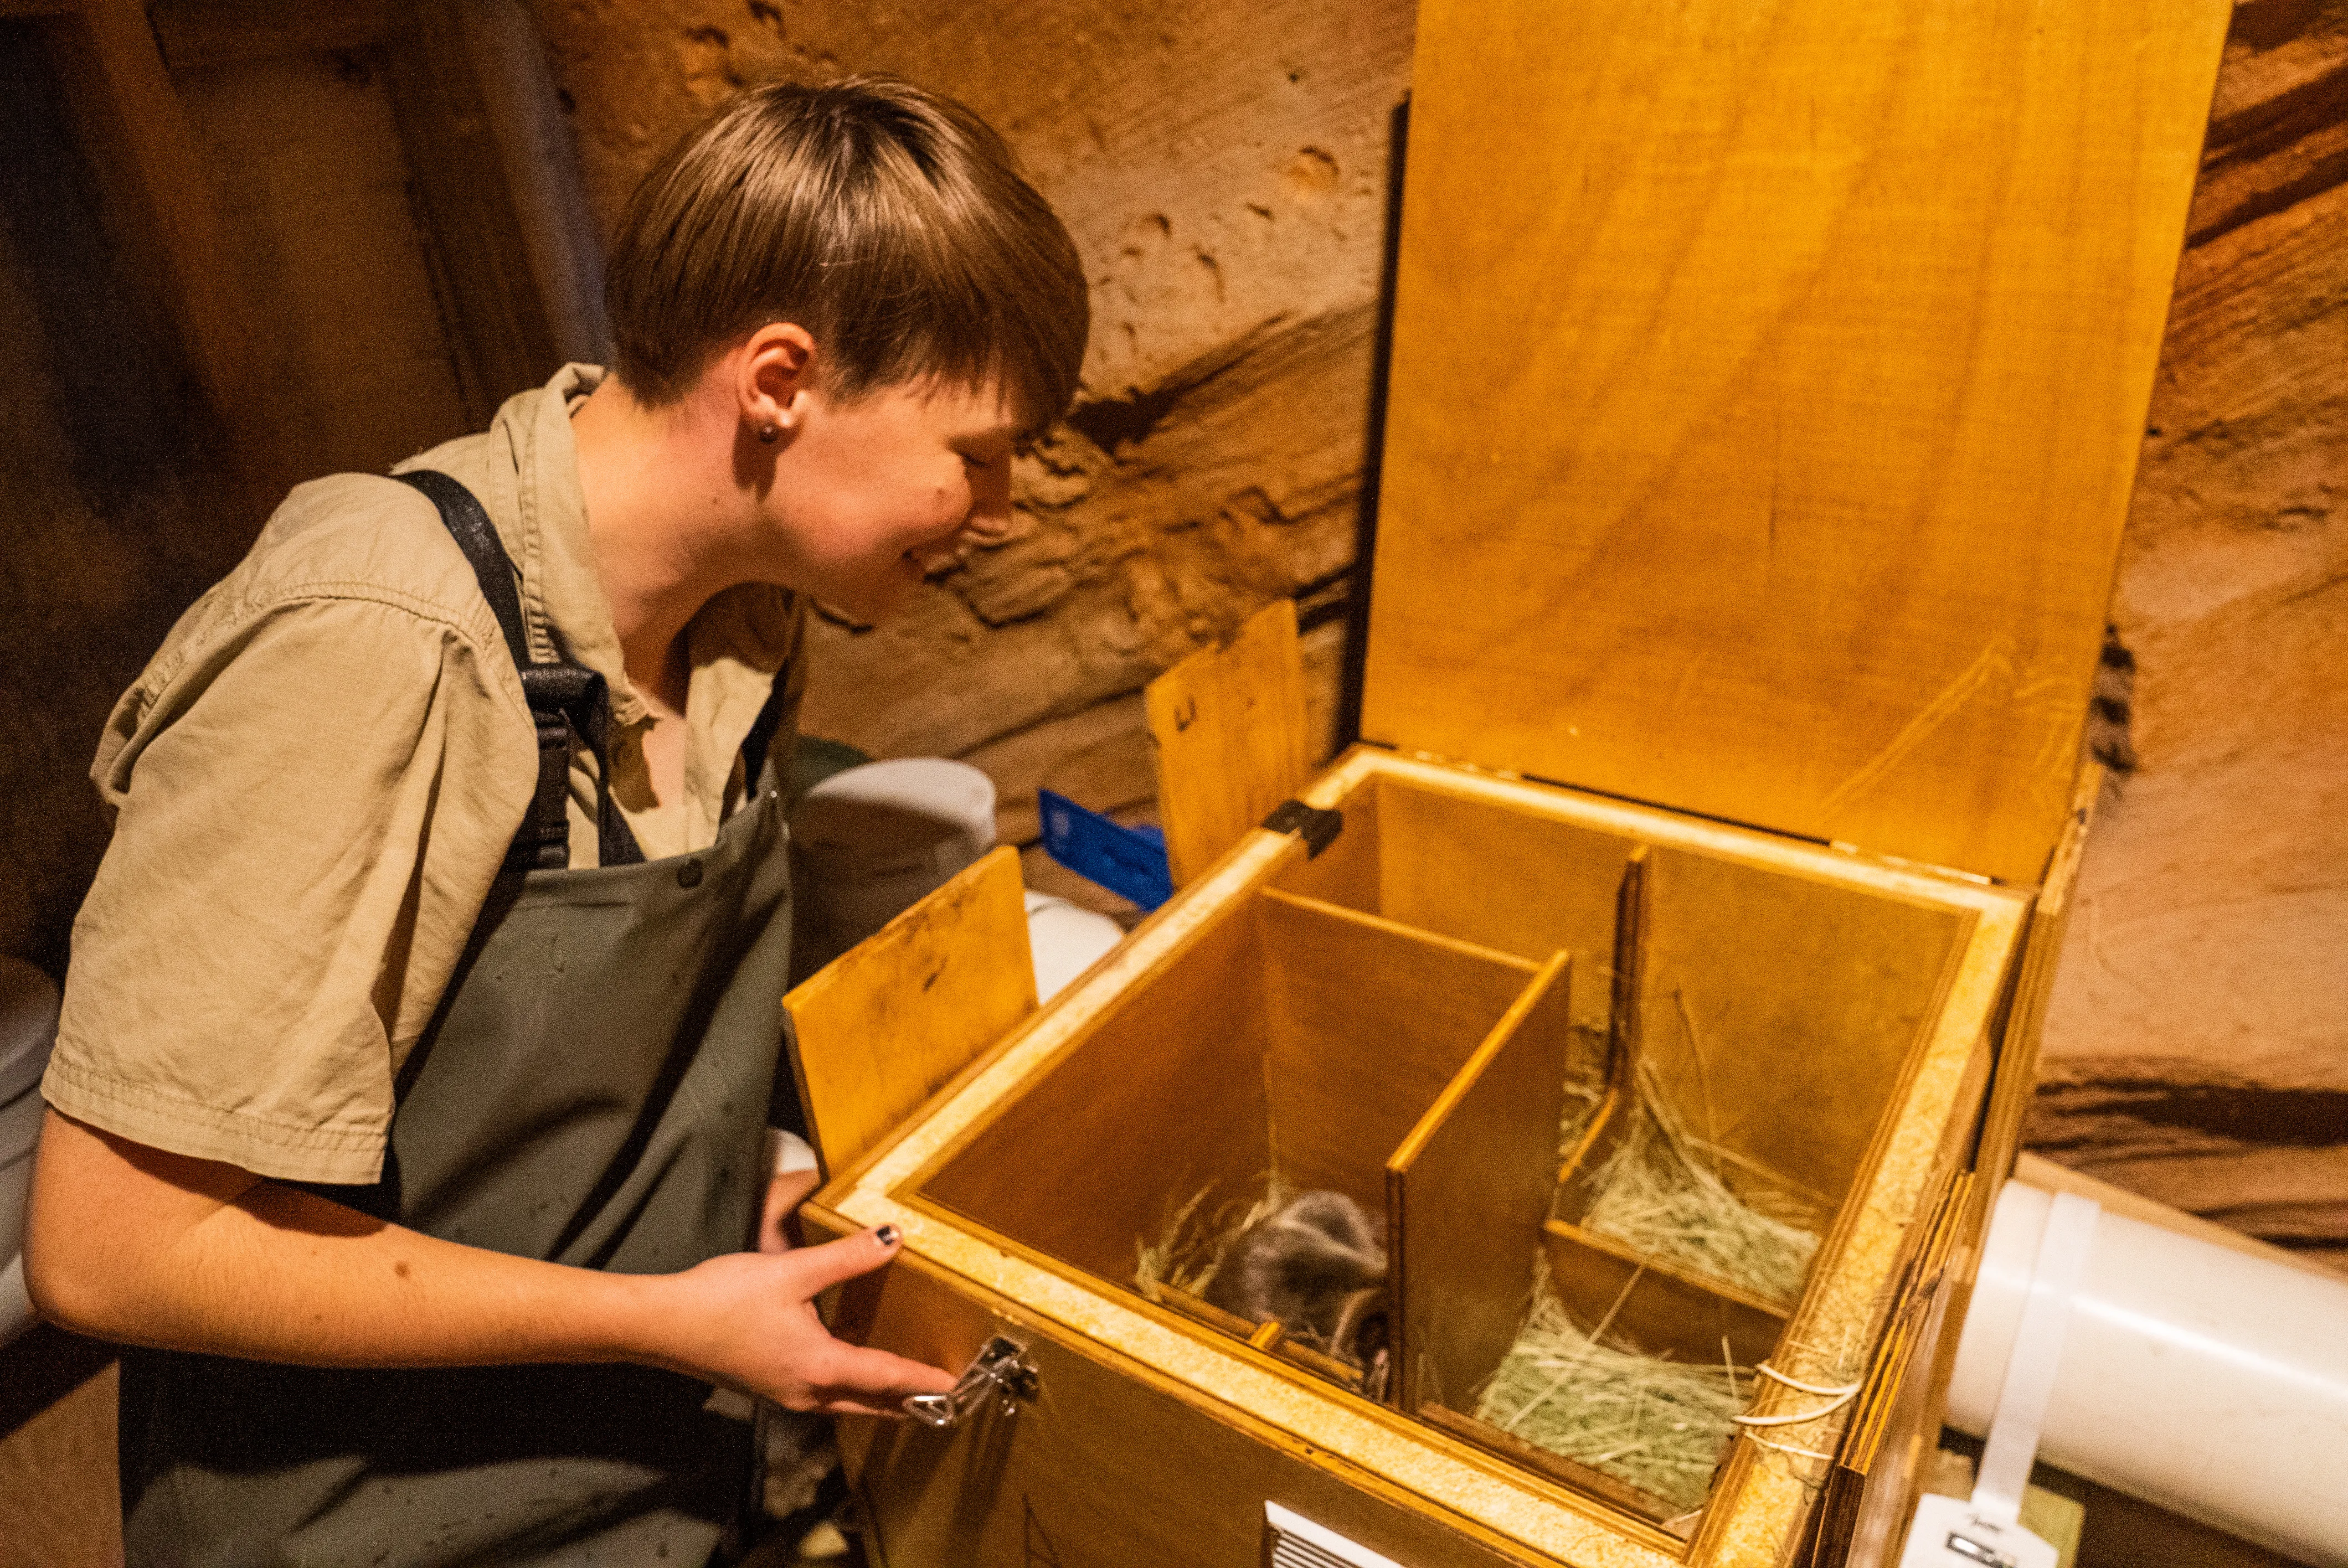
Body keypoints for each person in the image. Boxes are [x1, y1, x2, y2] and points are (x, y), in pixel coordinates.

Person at [23, 75, 1087, 1565]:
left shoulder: (746, 614)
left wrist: (736, 1160)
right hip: (379, 1519)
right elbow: (114, 1250)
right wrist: (659, 1315)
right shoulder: (376, 636)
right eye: (977, 452)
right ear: (778, 380)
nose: (1004, 501)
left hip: (656, 1467)